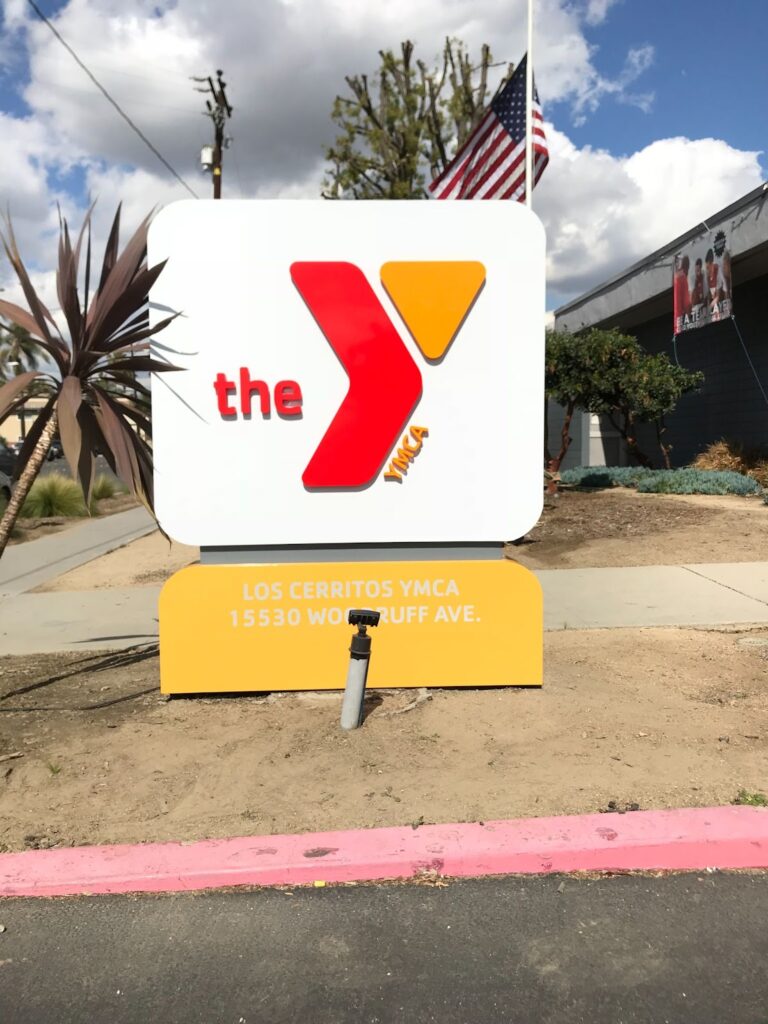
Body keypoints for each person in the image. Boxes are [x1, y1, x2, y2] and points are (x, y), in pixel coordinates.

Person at [673, 254, 692, 330]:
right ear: (687, 267)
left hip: (676, 320)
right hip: (681, 320)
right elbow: (686, 303)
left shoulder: (676, 276)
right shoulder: (683, 278)